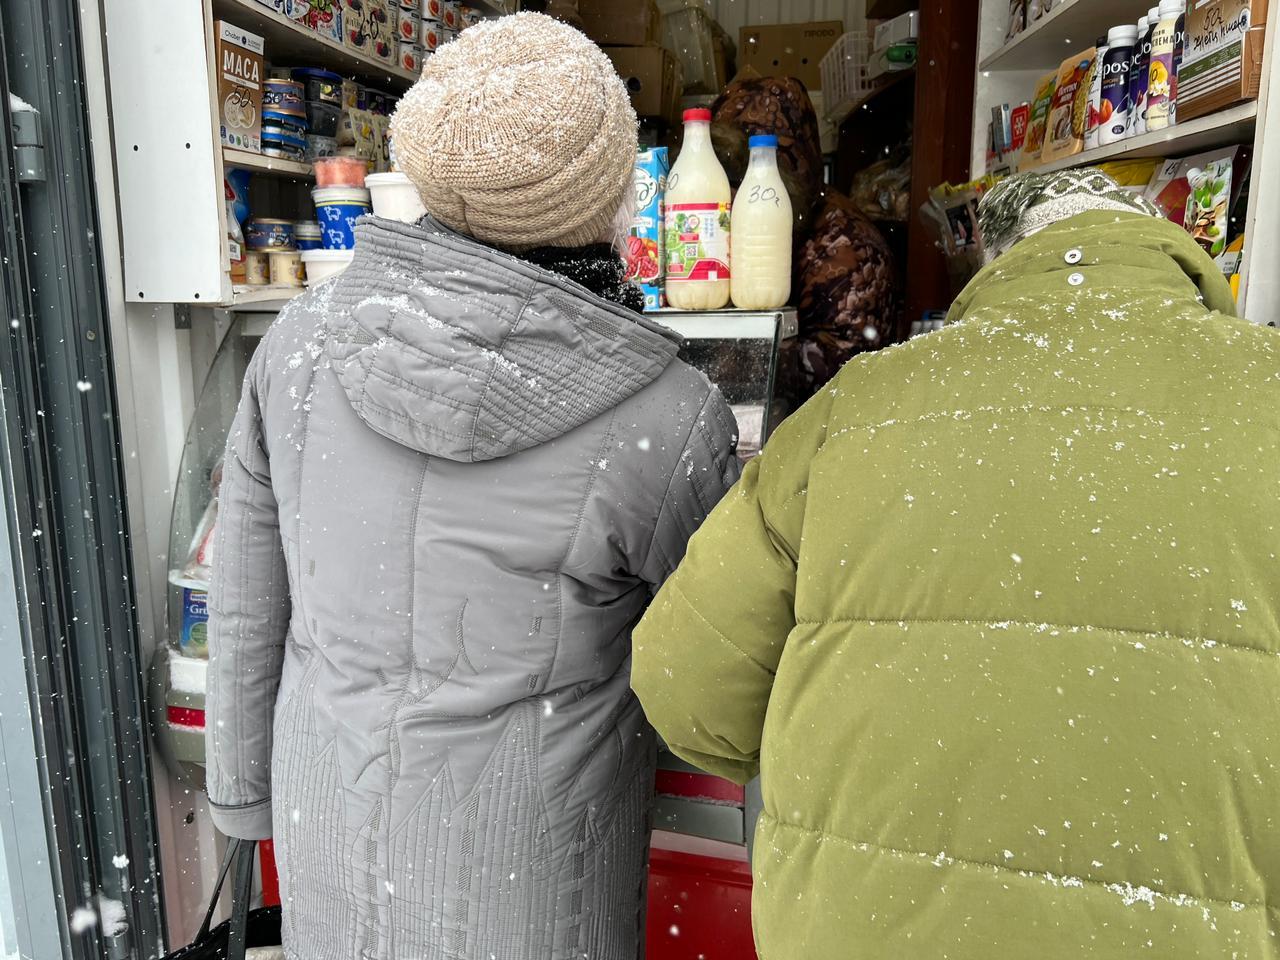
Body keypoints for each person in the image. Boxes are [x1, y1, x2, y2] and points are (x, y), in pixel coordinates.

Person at [632, 169, 1280, 958]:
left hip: (863, 930)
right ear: (1181, 254)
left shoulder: (858, 405)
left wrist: (836, 746)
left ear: (996, 259)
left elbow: (686, 688)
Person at [205, 14, 739, 960]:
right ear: (612, 189)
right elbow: (712, 666)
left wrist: (244, 796)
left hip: (333, 827)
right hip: (534, 870)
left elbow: (248, 602)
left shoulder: (298, 344)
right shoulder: (667, 414)